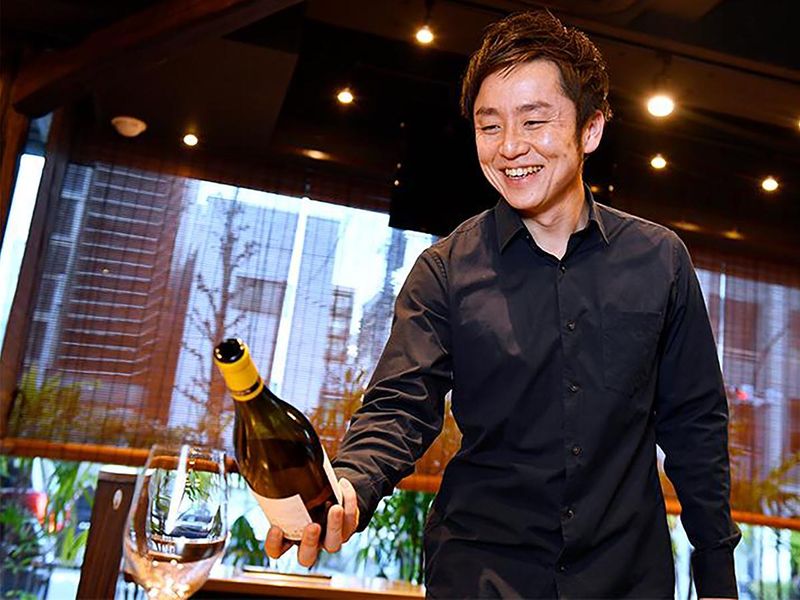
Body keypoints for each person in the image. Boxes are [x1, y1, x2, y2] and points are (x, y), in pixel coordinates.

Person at [266, 9, 740, 599]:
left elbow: (695, 425)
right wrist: (352, 485)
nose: (510, 147)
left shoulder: (660, 260)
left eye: (534, 121)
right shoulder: (444, 270)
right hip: (480, 573)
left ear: (590, 129)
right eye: (489, 126)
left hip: (626, 577)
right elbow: (399, 406)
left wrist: (716, 576)